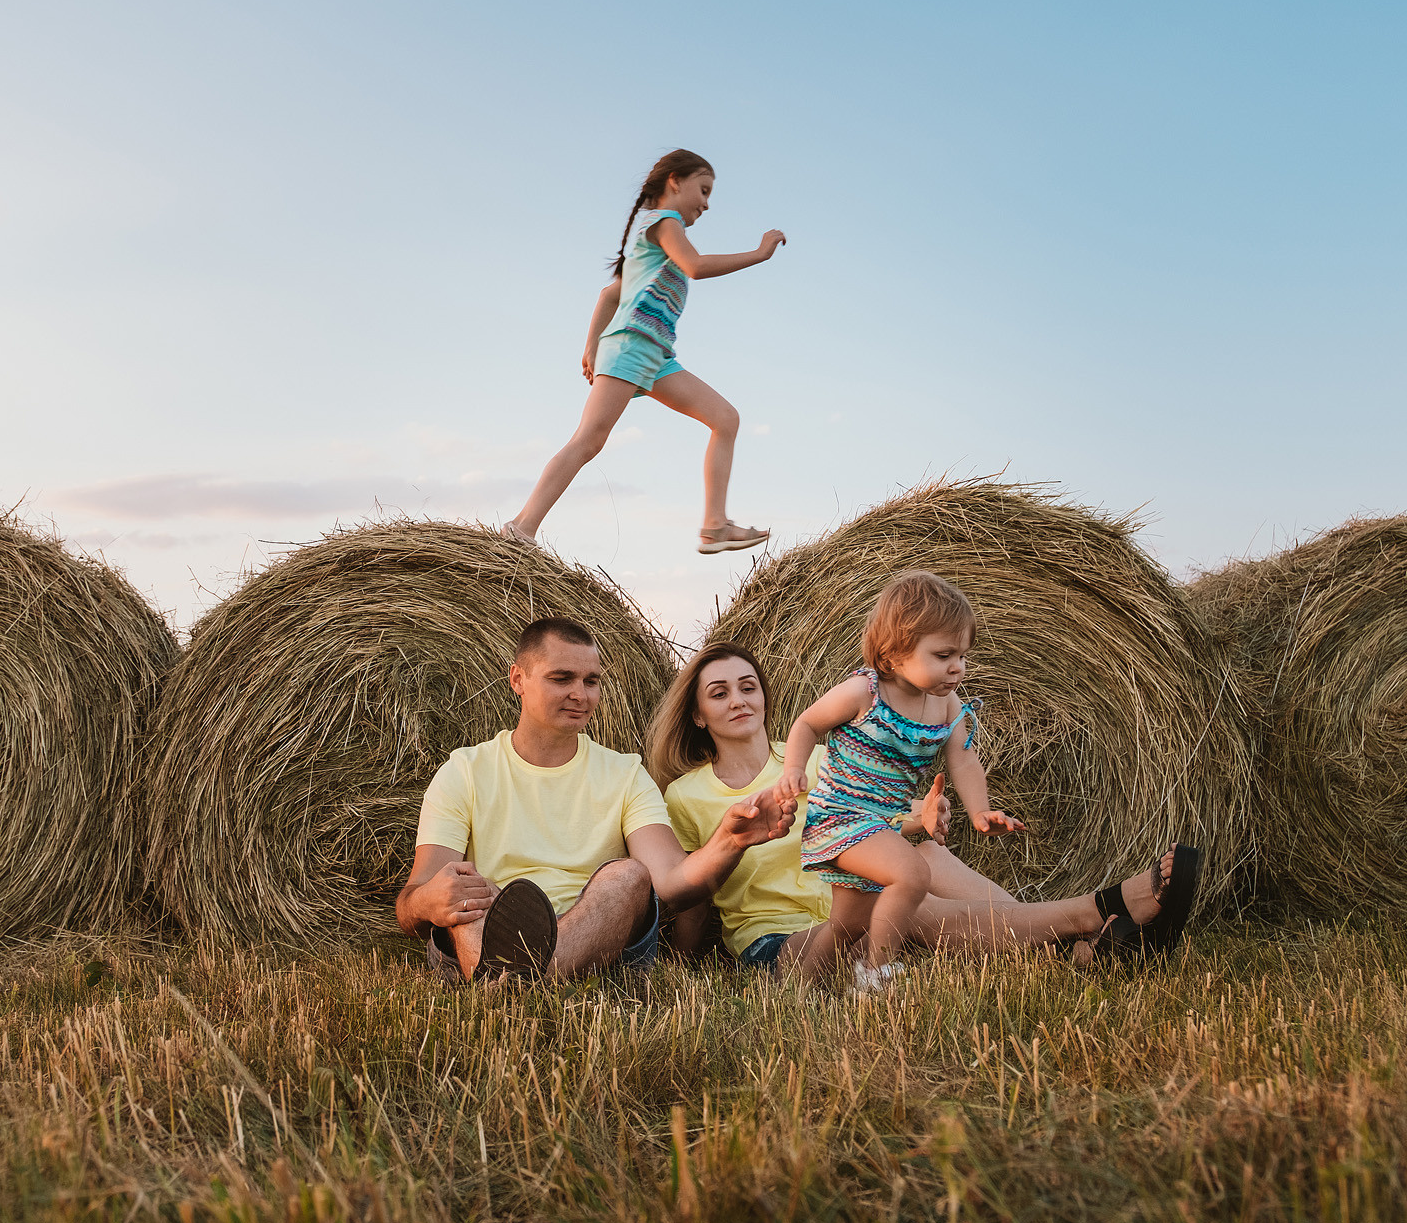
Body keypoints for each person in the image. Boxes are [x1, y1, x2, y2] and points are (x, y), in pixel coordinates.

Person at [768, 571, 1201, 989]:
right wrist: (793, 769)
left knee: (847, 925)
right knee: (913, 874)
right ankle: (874, 971)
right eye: (943, 656)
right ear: (895, 652)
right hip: (841, 816)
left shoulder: (947, 705)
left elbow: (964, 758)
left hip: (880, 822)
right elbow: (807, 723)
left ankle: (799, 990)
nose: (957, 667)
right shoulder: (863, 692)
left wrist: (980, 811)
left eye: (962, 656)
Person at [396, 617, 796, 982]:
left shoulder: (625, 774)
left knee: (629, 877)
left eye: (591, 681)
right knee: (466, 887)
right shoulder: (464, 771)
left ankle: (516, 981)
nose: (580, 694)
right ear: (518, 679)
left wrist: (730, 841)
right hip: (497, 926)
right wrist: (430, 899)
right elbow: (412, 902)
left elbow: (671, 884)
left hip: (597, 934)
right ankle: (532, 978)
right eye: (562, 678)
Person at [504, 149, 783, 556]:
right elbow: (695, 266)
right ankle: (521, 527)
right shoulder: (665, 223)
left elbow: (610, 294)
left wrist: (590, 347)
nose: (707, 203)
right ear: (675, 182)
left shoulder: (650, 240)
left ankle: (715, 526)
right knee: (589, 440)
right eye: (704, 190)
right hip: (632, 346)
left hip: (656, 356)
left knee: (725, 419)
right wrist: (759, 254)